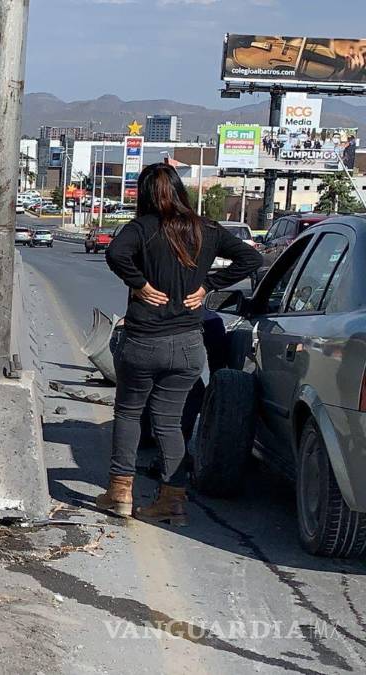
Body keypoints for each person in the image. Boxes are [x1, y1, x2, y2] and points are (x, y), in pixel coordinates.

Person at [99, 163, 261, 525]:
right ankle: (172, 501)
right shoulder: (206, 229)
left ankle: (120, 492)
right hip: (188, 345)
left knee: (129, 413)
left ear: (143, 193)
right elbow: (251, 258)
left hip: (143, 341)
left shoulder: (141, 228)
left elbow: (115, 254)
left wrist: (140, 284)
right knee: (169, 421)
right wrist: (209, 285)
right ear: (179, 190)